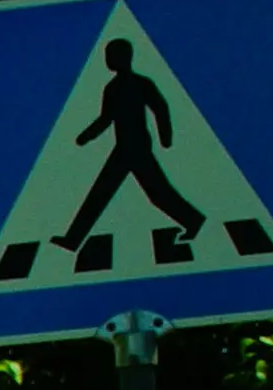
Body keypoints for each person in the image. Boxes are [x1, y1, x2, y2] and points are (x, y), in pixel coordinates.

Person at [60, 37, 206, 250]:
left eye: (111, 55)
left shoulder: (141, 83)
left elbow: (160, 108)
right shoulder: (111, 88)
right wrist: (86, 136)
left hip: (137, 147)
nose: (107, 59)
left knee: (153, 193)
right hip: (124, 147)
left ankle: (193, 221)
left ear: (123, 57)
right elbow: (106, 118)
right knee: (106, 193)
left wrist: (166, 137)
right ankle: (72, 240)